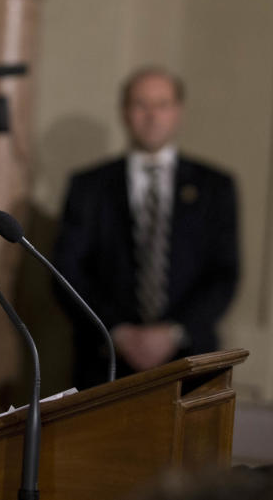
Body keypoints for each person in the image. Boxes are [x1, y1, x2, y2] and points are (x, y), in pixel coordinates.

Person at [54, 68, 239, 390]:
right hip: (104, 362)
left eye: (162, 104)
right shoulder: (88, 186)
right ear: (124, 112)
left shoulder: (215, 187)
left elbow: (224, 272)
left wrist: (174, 331)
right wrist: (118, 331)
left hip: (191, 361)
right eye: (141, 104)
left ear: (178, 112)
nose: (152, 116)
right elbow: (67, 271)